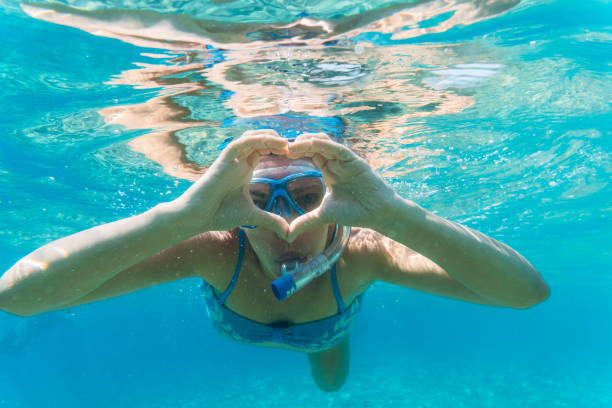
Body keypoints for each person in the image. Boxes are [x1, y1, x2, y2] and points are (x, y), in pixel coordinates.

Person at [0, 130, 549, 392]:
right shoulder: (212, 250)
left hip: (326, 333)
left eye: (310, 197)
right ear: (231, 211)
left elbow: (526, 293)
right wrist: (178, 219)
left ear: (341, 204)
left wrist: (394, 215)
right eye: (260, 203)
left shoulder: (364, 255)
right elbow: (17, 297)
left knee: (330, 386)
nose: (287, 225)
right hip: (284, 320)